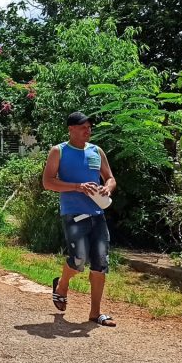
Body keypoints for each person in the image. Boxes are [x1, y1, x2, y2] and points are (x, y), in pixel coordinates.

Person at [42, 111, 118, 327]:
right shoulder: (59, 151)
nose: (88, 130)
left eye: (89, 127)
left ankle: (95, 314)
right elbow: (48, 182)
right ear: (71, 129)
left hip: (98, 214)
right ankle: (62, 286)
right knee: (78, 260)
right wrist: (77, 187)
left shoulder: (97, 151)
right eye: (83, 127)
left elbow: (110, 177)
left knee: (100, 263)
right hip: (73, 213)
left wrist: (107, 188)